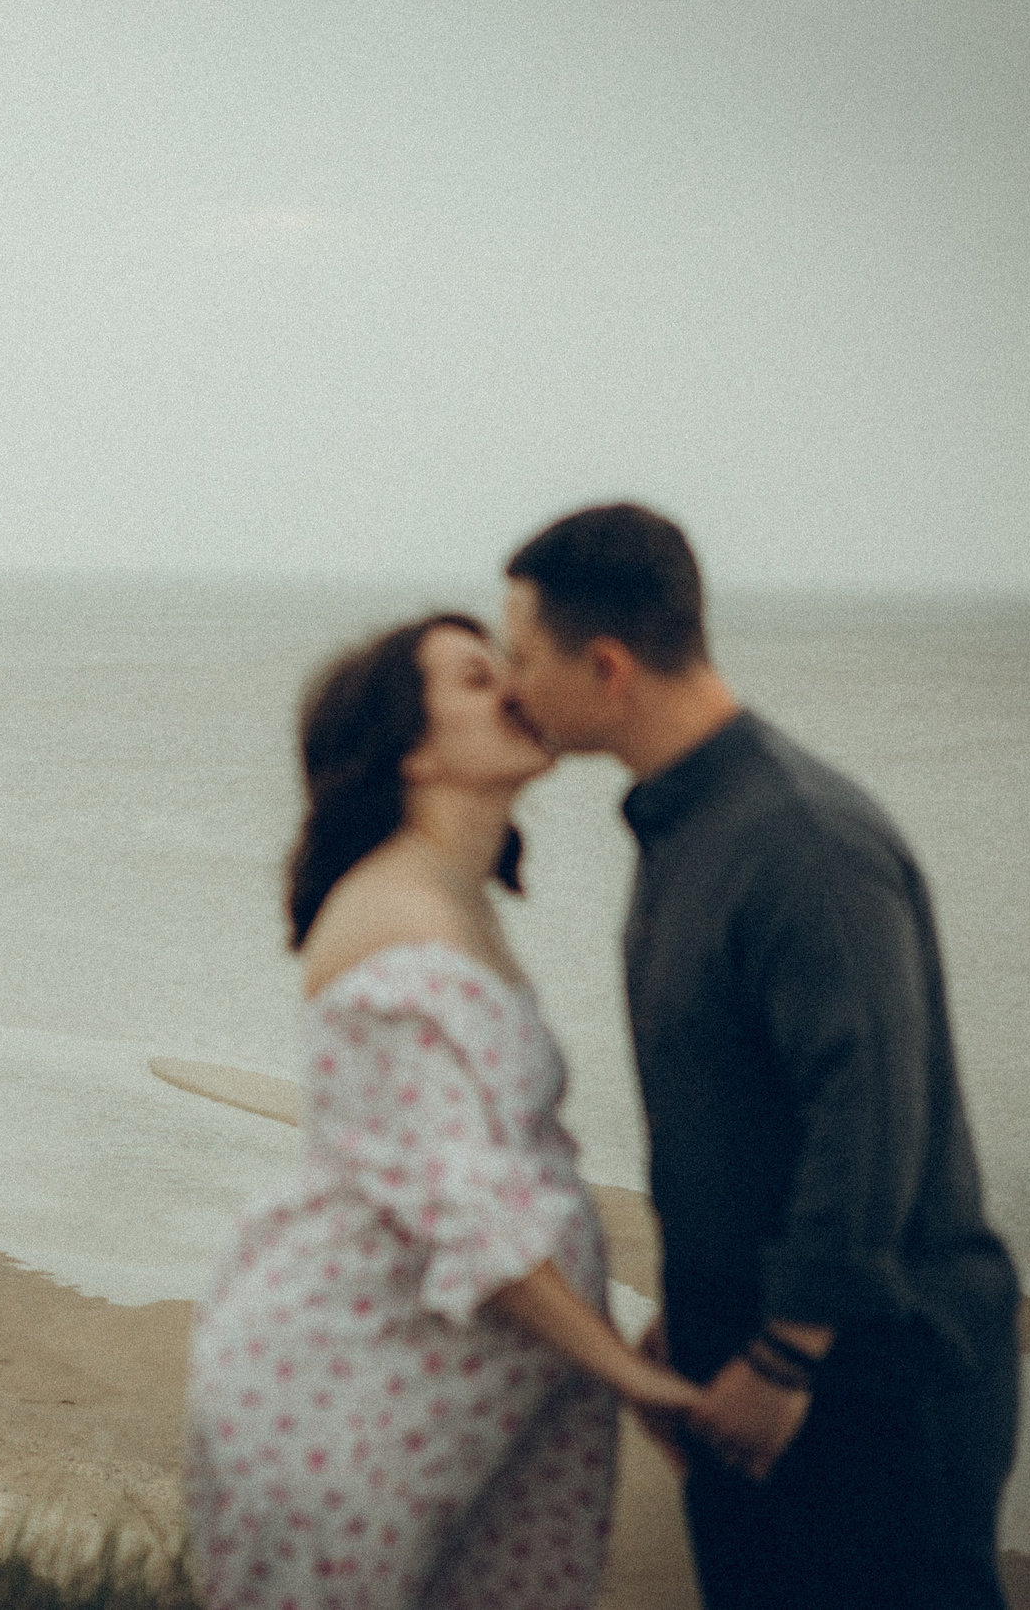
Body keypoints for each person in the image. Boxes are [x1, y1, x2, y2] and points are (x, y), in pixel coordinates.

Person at [499, 503, 1021, 1609]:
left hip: (873, 1379)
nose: (510, 687)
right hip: (743, 1356)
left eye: (522, 657)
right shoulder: (684, 824)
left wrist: (785, 1351)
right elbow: (735, 1112)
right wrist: (695, 1312)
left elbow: (872, 1107)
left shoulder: (800, 840)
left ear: (605, 666)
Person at [185, 612, 703, 1610]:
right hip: (350, 1402)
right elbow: (467, 1211)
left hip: (457, 1405)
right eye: (476, 678)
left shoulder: (449, 898)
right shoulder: (395, 919)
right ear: (412, 749)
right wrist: (637, 1384)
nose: (512, 687)